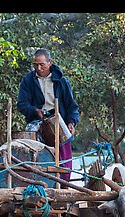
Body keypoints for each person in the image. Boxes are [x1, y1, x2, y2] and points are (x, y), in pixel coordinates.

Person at [17, 48, 80, 185]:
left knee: (63, 159)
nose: (38, 68)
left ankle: (63, 189)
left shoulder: (61, 81)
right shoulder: (28, 80)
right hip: (36, 122)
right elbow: (21, 104)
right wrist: (35, 111)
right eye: (35, 65)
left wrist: (71, 122)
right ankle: (40, 187)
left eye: (42, 65)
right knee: (36, 157)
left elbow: (72, 106)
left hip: (58, 121)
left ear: (50, 63)